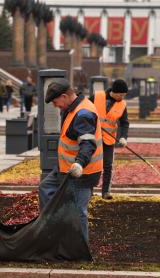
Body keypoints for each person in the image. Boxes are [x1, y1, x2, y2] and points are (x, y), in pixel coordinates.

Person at [39, 78, 103, 242]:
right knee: (46, 188)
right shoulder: (74, 108)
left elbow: (88, 143)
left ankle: (80, 249)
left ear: (64, 96)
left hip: (81, 172)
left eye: (55, 101)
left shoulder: (83, 113)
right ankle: (54, 229)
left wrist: (80, 163)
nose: (55, 105)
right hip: (65, 168)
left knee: (78, 211)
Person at [89, 79, 129, 200]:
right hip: (93, 138)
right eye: (120, 95)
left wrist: (123, 137)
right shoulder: (97, 96)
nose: (122, 97)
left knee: (108, 165)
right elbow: (84, 110)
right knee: (91, 164)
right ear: (114, 92)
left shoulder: (122, 104)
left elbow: (124, 123)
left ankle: (106, 192)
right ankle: (88, 191)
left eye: (124, 95)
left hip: (109, 140)